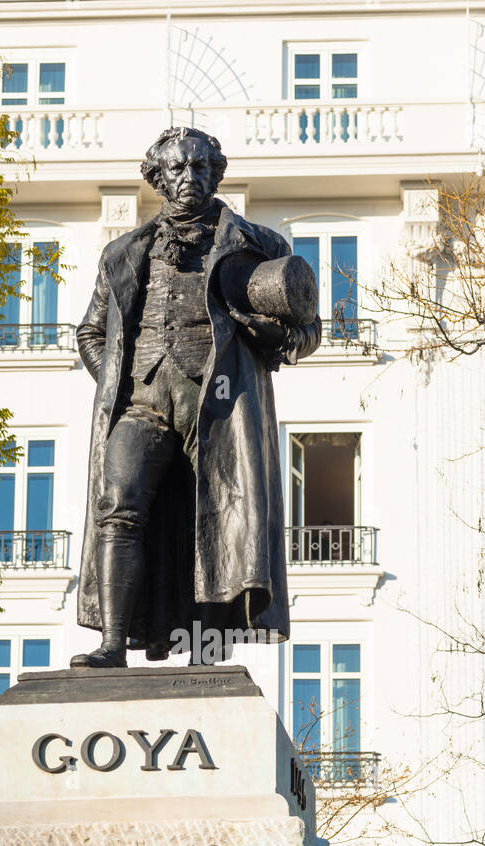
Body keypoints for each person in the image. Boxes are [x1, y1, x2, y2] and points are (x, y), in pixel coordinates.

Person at [72, 125, 321, 668]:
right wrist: (116, 381)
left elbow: (308, 332)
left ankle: (204, 655)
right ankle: (114, 644)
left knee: (215, 517)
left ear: (217, 173)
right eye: (179, 169)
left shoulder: (259, 245)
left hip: (222, 403)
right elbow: (91, 332)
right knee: (118, 504)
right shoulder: (123, 252)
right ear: (158, 177)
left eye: (203, 167)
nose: (191, 177)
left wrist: (269, 333)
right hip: (144, 400)